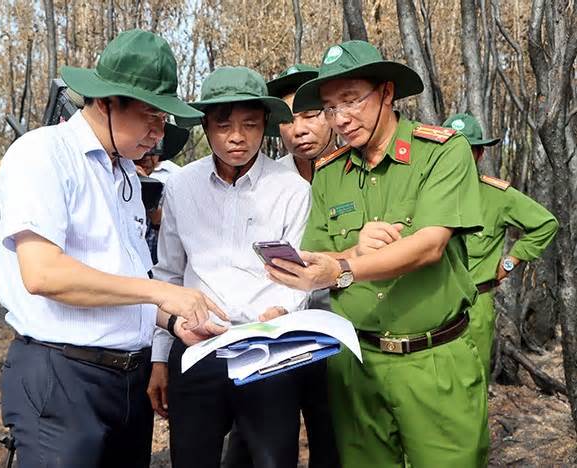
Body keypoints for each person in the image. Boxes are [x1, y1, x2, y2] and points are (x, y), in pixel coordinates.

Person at [0, 29, 227, 468]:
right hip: (62, 377)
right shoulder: (43, 154)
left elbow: (125, 279)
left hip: (127, 382)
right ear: (105, 102)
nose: (158, 134)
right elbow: (43, 274)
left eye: (164, 121)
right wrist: (162, 293)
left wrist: (175, 321)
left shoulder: (122, 172)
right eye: (149, 117)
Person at [266, 40, 489, 467]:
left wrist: (345, 266)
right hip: (356, 366)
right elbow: (318, 253)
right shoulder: (331, 173)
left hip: (433, 362)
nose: (341, 119)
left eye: (351, 100)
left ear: (387, 93)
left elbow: (429, 246)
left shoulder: (441, 153)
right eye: (330, 108)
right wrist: (348, 253)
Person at [146, 66, 311, 468]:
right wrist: (159, 358)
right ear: (205, 126)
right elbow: (168, 274)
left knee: (272, 460)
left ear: (266, 126)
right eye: (224, 126)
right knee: (191, 457)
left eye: (250, 125)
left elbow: (300, 276)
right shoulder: (182, 186)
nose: (237, 137)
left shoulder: (291, 190)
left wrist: (284, 312)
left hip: (269, 352)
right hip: (198, 347)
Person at [223, 64, 341, 468]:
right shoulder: (264, 183)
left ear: (329, 115)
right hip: (274, 335)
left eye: (309, 115)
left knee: (332, 435)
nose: (299, 130)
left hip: (336, 332)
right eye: (289, 120)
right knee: (254, 442)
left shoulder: (354, 176)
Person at [443, 113, 558, 376]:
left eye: (465, 150)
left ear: (479, 154)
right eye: (449, 149)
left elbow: (546, 223)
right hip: (429, 304)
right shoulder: (424, 194)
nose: (456, 157)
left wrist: (510, 261)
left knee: (473, 380)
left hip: (475, 304)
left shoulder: (497, 196)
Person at [135, 122, 190, 264]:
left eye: (154, 150)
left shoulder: (175, 179)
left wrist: (147, 194)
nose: (146, 157)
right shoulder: (116, 175)